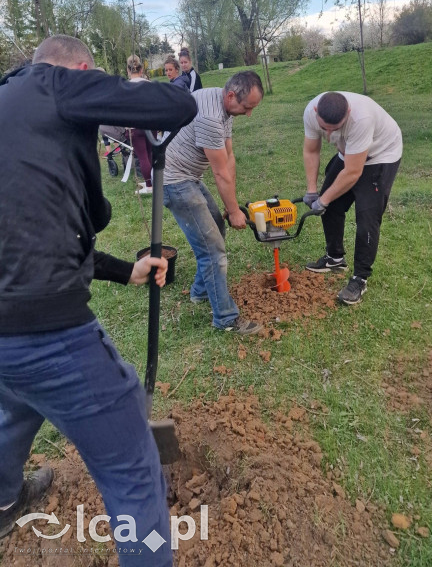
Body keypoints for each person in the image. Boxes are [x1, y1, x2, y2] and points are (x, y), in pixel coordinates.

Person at [0, 35, 197, 566]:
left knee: (13, 406)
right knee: (133, 471)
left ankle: (3, 500)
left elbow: (32, 234)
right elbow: (177, 104)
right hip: (45, 335)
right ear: (82, 70)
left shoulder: (10, 105)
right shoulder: (59, 84)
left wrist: (124, 270)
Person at [163, 71, 264, 334]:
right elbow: (219, 172)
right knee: (213, 251)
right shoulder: (210, 117)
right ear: (231, 95)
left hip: (189, 177)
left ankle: (200, 291)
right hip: (175, 180)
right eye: (247, 107)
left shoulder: (223, 106)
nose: (249, 114)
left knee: (216, 228)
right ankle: (226, 318)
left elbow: (228, 158)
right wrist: (234, 211)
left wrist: (232, 207)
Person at [302, 91, 402, 304]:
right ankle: (335, 258)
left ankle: (360, 278)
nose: (329, 135)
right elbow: (311, 151)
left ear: (347, 113)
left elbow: (353, 172)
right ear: (316, 111)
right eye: (324, 128)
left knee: (367, 218)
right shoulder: (310, 111)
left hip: (380, 155)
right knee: (331, 206)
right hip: (349, 152)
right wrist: (312, 191)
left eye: (335, 128)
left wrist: (323, 199)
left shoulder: (361, 118)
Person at [126, 54, 153, 195]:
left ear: (128, 70)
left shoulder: (125, 86)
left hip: (135, 126)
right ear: (141, 69)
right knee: (149, 154)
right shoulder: (149, 84)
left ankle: (149, 185)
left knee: (142, 156)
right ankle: (151, 181)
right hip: (151, 123)